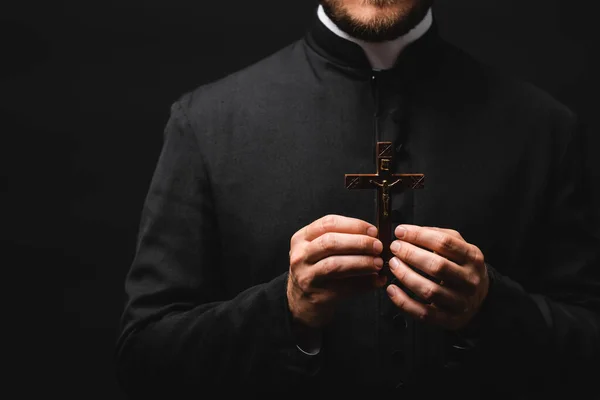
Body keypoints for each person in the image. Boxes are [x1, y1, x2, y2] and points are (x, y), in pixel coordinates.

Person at [115, 0, 600, 398]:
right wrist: (283, 312)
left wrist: (492, 310)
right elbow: (144, 360)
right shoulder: (205, 124)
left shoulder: (545, 129)